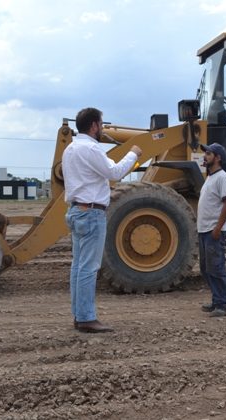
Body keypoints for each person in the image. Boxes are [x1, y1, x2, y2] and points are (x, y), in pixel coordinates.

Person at [62, 107, 142, 333]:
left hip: (77, 211)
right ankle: (87, 318)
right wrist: (134, 153)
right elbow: (115, 173)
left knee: (78, 267)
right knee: (88, 268)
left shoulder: (70, 149)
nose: (103, 127)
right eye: (102, 123)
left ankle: (79, 315)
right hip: (91, 213)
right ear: (95, 125)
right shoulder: (91, 149)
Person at [197, 143, 226, 317]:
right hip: (204, 230)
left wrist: (218, 228)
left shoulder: (222, 177)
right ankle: (216, 300)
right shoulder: (210, 177)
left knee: (216, 267)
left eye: (209, 153)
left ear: (218, 158)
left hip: (213, 230)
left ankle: (222, 305)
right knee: (206, 268)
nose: (205, 156)